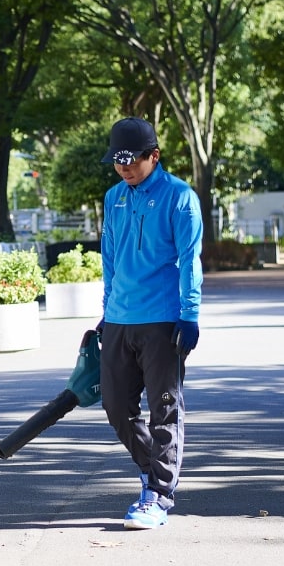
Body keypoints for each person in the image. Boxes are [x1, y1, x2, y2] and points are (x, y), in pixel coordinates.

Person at [96, 117, 203, 530]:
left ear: (153, 156)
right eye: (117, 162)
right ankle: (151, 470)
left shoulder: (180, 198)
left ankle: (158, 495)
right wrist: (106, 312)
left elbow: (189, 260)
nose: (124, 169)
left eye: (131, 161)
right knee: (115, 406)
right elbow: (110, 259)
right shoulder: (114, 197)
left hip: (163, 320)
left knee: (164, 410)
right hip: (121, 318)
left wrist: (189, 315)